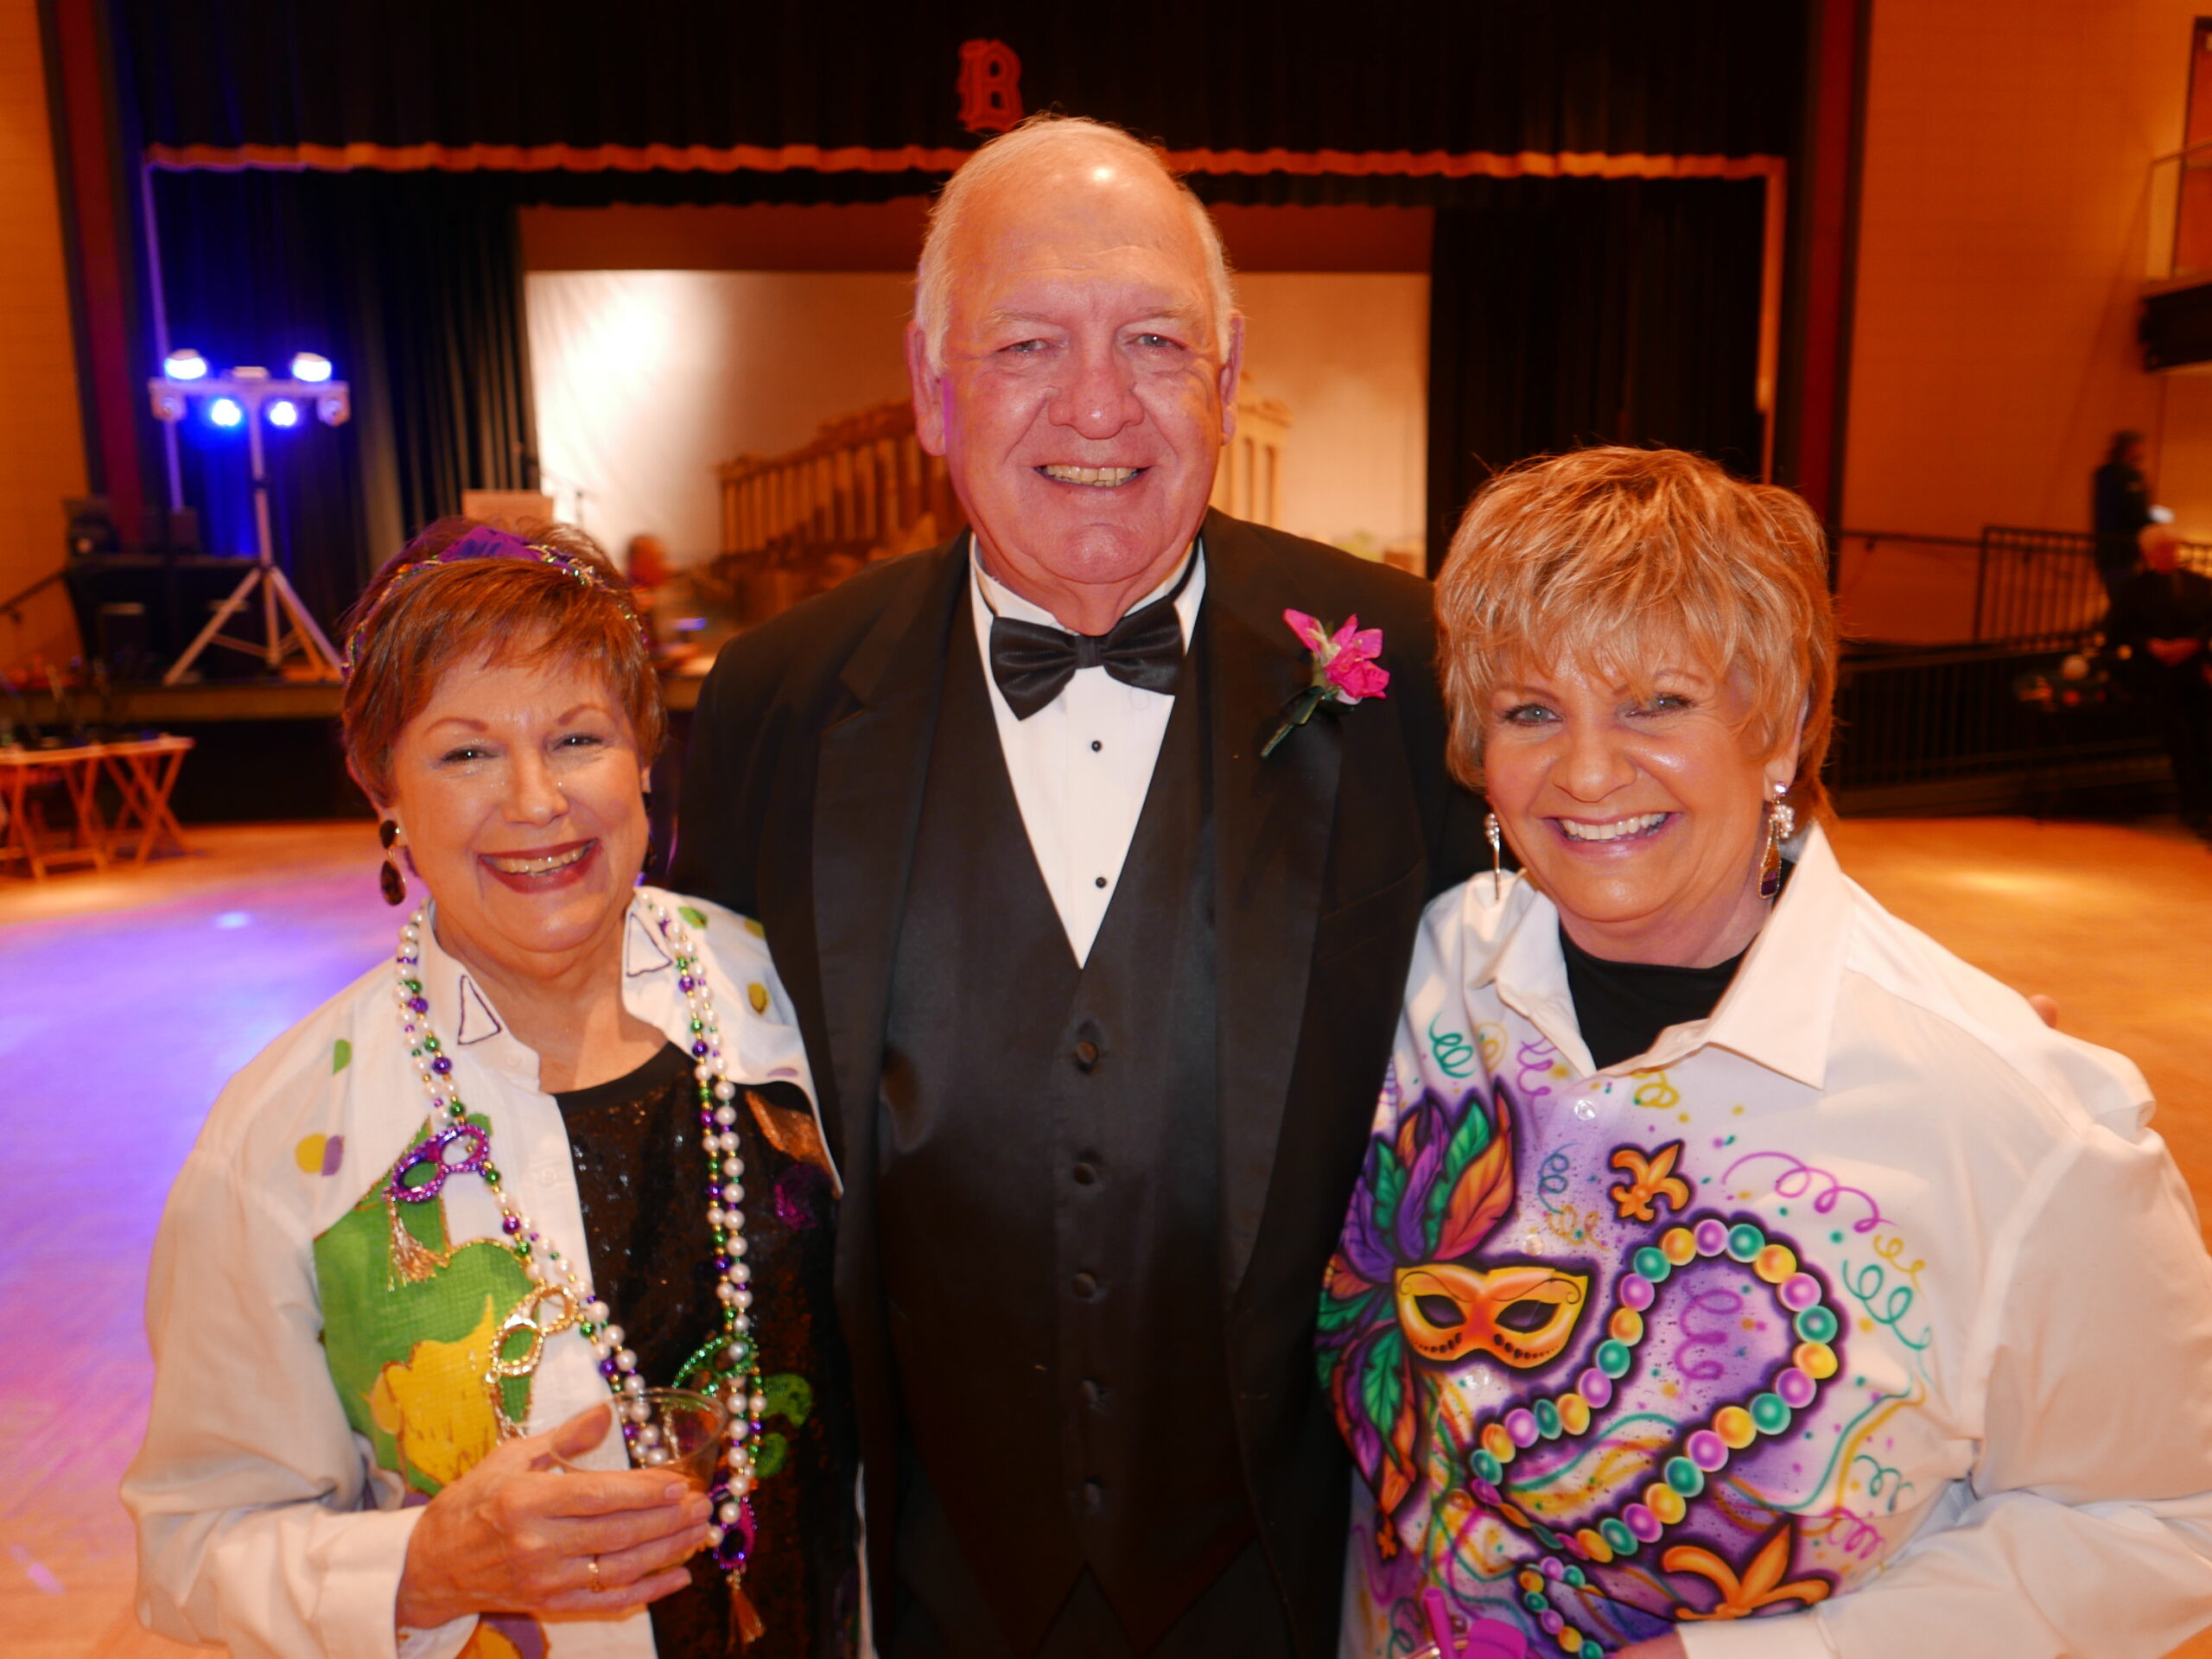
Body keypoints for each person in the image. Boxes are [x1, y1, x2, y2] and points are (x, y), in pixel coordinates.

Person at [671, 115, 1478, 1653]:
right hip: (928, 1584)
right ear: (931, 388)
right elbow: (702, 1116)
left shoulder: (1416, 670)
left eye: (1155, 342)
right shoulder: (778, 702)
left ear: (1227, 376)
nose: (1099, 404)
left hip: (1297, 1576)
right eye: (1029, 343)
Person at [1322, 448, 2212, 1658]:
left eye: (1656, 703)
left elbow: (2170, 1519)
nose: (1587, 770)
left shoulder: (2008, 1115)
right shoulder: (1421, 976)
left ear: (1782, 727)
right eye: (1533, 711)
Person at [124, 521, 859, 1659]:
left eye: (577, 738)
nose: (535, 799)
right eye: (465, 753)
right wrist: (424, 1567)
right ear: (382, 788)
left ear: (644, 756)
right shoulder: (285, 1140)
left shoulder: (791, 993)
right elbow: (194, 1545)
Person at [2105, 522, 2212, 837]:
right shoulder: (2136, 590)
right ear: (2148, 554)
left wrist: (2194, 642)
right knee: (2181, 743)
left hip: (2197, 673)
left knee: (2206, 738)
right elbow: (2119, 629)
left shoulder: (2201, 585)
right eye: (2162, 550)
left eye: (2172, 548)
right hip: (2158, 678)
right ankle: (2194, 808)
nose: (2169, 554)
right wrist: (2151, 645)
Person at [2092, 429, 2154, 599]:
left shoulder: (2103, 474)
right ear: (2131, 448)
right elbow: (2137, 512)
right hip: (2124, 552)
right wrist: (2157, 520)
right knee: (2127, 600)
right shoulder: (2130, 476)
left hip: (2106, 552)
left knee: (2118, 597)